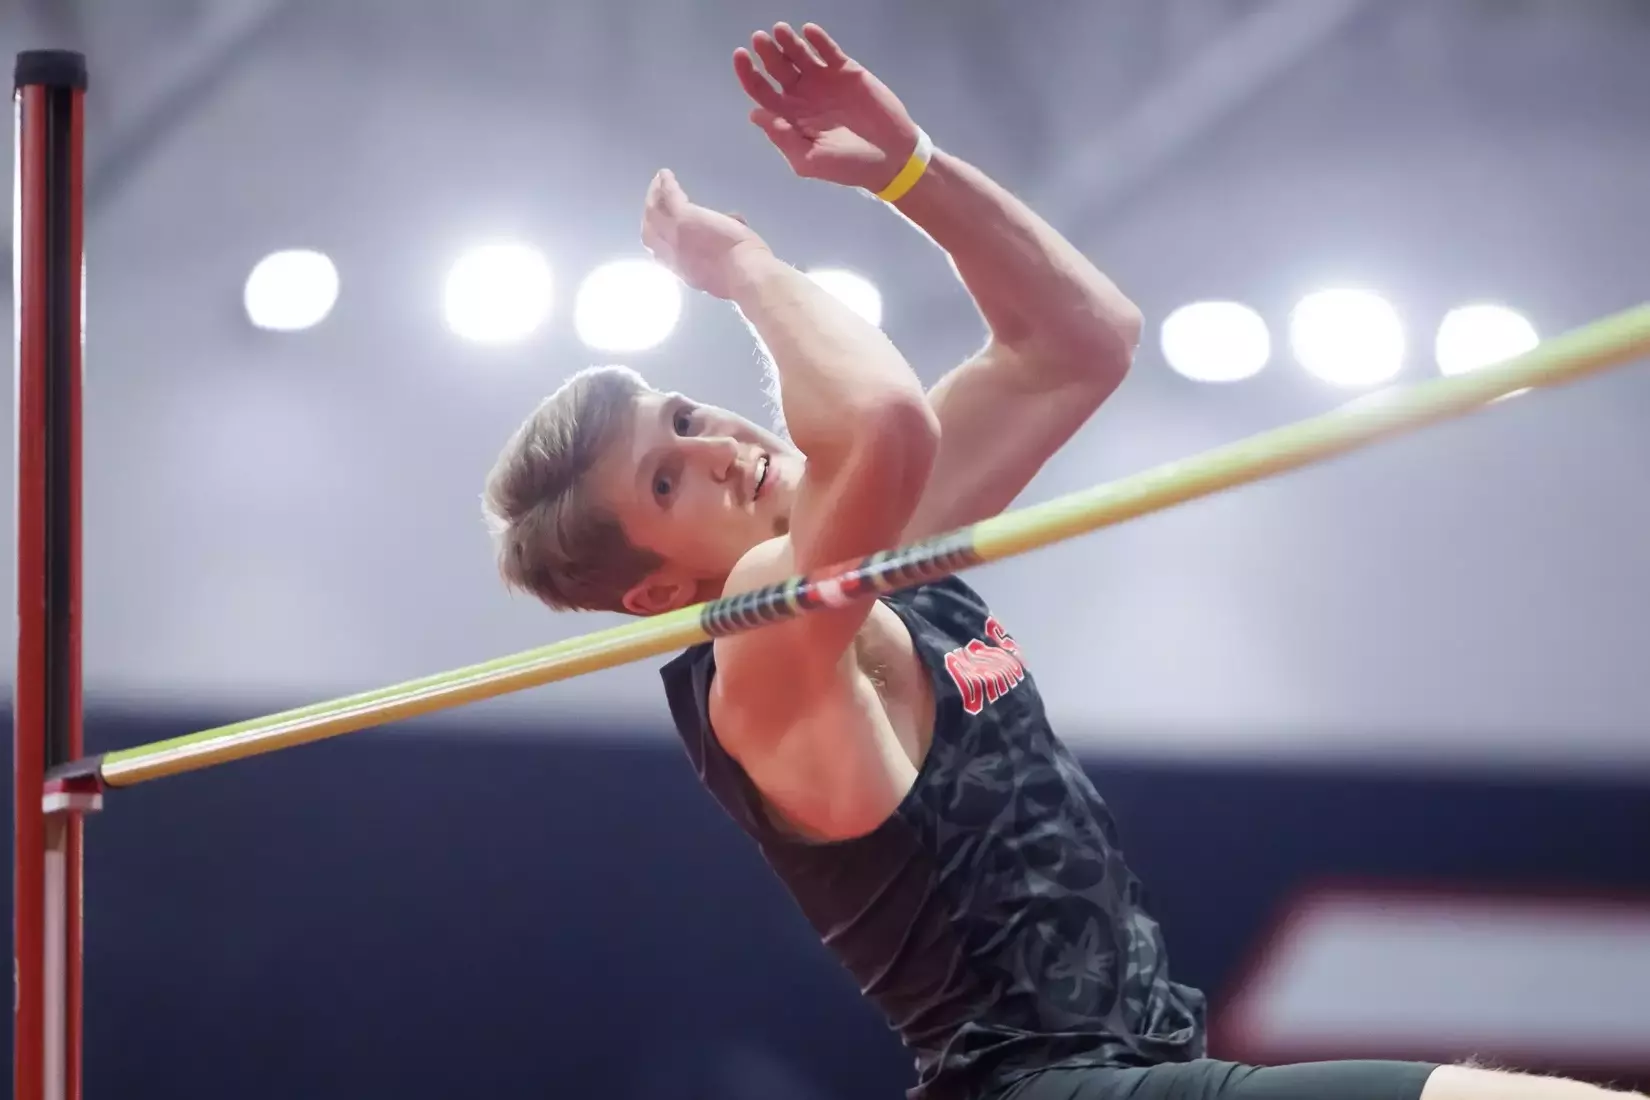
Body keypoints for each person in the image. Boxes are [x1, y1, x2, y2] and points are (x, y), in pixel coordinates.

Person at [481, 22, 1642, 1100]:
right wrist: (742, 267)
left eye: (685, 415)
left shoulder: (876, 548)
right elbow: (884, 416)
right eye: (668, 479)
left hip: (1144, 1065)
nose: (719, 448)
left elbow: (1081, 342)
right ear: (657, 591)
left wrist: (908, 171)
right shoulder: (760, 642)